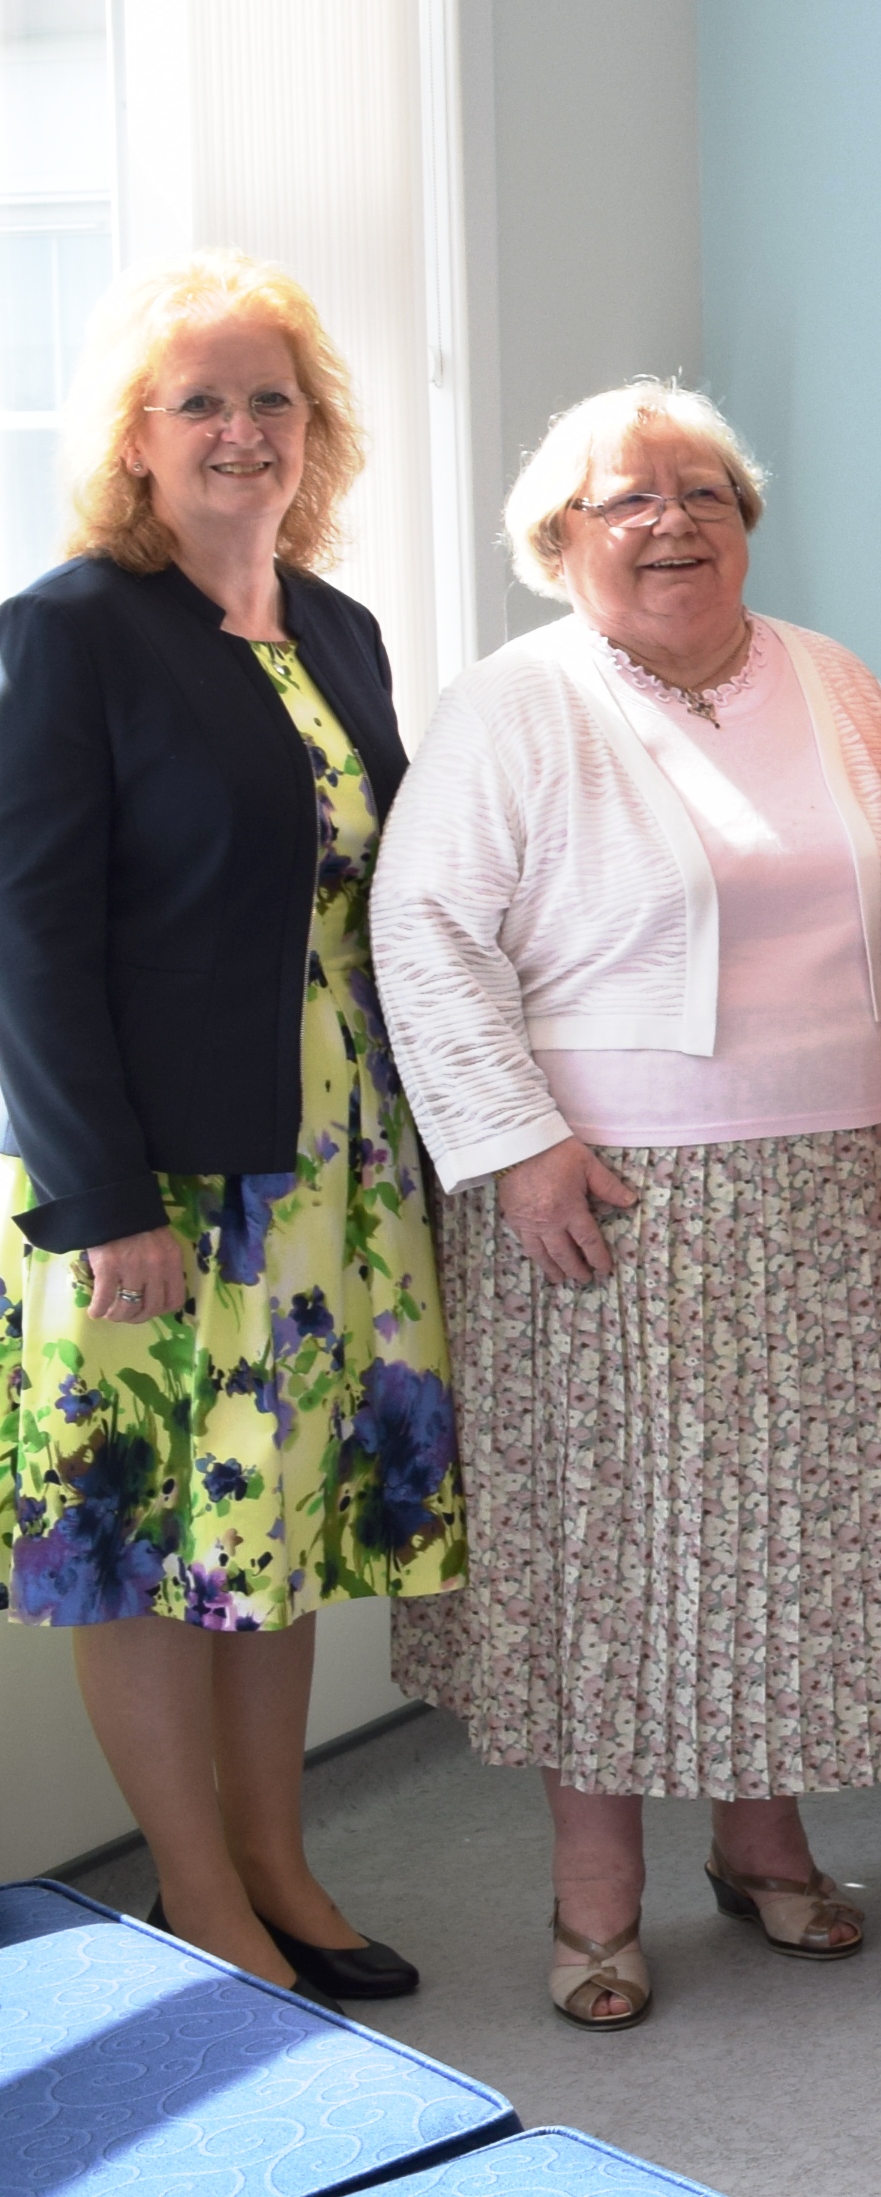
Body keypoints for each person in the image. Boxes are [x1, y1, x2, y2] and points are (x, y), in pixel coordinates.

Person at [374, 382, 881, 2030]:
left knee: (789, 1548)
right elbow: (425, 930)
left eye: (702, 489)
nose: (669, 521)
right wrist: (516, 1144)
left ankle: (766, 1846)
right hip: (608, 1196)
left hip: (833, 1183)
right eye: (624, 498)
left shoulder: (835, 676)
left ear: (748, 518)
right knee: (616, 1557)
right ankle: (595, 1900)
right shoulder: (514, 703)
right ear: (557, 538)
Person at [0, 250, 458, 2000]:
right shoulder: (65, 631)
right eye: (201, 399)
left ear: (317, 429)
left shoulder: (334, 627)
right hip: (153, 1178)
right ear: (134, 436)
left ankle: (282, 1863)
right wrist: (100, 1194)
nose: (242, 431)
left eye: (273, 398)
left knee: (292, 1518)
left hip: (335, 1159)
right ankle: (197, 1893)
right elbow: (28, 932)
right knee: (141, 1534)